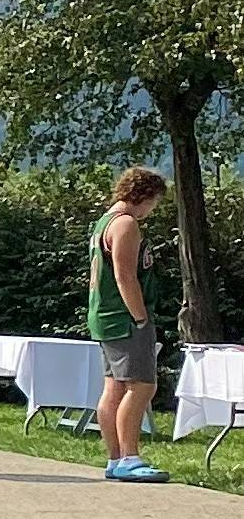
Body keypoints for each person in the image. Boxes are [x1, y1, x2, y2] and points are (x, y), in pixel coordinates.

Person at [90, 167, 169, 484]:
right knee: (142, 385)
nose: (153, 210)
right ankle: (129, 457)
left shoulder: (104, 222)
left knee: (115, 386)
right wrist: (140, 317)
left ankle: (115, 459)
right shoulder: (125, 225)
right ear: (144, 196)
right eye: (154, 202)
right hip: (124, 318)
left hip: (106, 316)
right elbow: (125, 276)